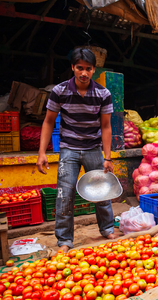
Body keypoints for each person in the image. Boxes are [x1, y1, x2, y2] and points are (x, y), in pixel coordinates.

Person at [36, 48, 118, 252]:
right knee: (65, 194)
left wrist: (107, 157)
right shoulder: (59, 91)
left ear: (93, 70)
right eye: (79, 68)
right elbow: (48, 122)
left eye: (88, 69)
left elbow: (106, 126)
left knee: (102, 190)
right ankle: (64, 240)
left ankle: (107, 228)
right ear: (72, 67)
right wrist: (41, 153)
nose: (83, 73)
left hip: (93, 148)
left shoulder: (102, 93)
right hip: (68, 150)